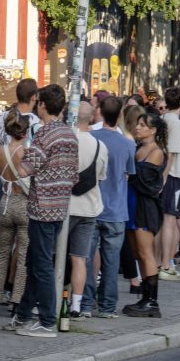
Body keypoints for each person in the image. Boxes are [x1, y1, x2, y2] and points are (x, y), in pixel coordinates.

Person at [7, 84, 79, 338]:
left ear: (43, 105)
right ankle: (24, 315)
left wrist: (15, 151)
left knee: (41, 266)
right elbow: (75, 174)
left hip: (42, 207)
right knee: (35, 261)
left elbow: (25, 169)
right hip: (60, 206)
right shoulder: (69, 134)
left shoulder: (45, 134)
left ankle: (48, 320)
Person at [86, 96, 135, 318]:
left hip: (92, 206)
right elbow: (129, 173)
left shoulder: (91, 138)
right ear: (121, 115)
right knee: (111, 261)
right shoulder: (127, 143)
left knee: (86, 258)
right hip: (116, 209)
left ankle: (85, 303)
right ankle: (107, 306)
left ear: (100, 113)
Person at [123, 111, 167, 318]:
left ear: (153, 130)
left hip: (144, 207)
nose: (138, 127)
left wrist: (129, 175)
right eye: (138, 124)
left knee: (145, 251)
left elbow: (146, 181)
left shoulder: (156, 151)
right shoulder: (139, 148)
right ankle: (144, 296)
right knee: (138, 252)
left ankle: (152, 301)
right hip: (132, 205)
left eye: (143, 125)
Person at [0, 109, 30, 316]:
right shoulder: (26, 152)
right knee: (22, 254)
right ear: (25, 132)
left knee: (1, 253)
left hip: (5, 200)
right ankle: (16, 300)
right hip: (23, 202)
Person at [67, 103, 108, 318]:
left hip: (66, 206)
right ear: (91, 118)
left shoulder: (66, 141)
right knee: (80, 257)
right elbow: (101, 177)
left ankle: (55, 297)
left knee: (56, 254)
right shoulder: (100, 146)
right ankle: (77, 303)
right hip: (89, 207)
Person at [159, 87, 180, 278]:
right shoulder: (175, 123)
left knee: (166, 221)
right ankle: (166, 264)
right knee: (170, 220)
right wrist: (165, 176)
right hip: (174, 174)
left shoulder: (164, 119)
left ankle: (162, 262)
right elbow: (172, 152)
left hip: (170, 174)